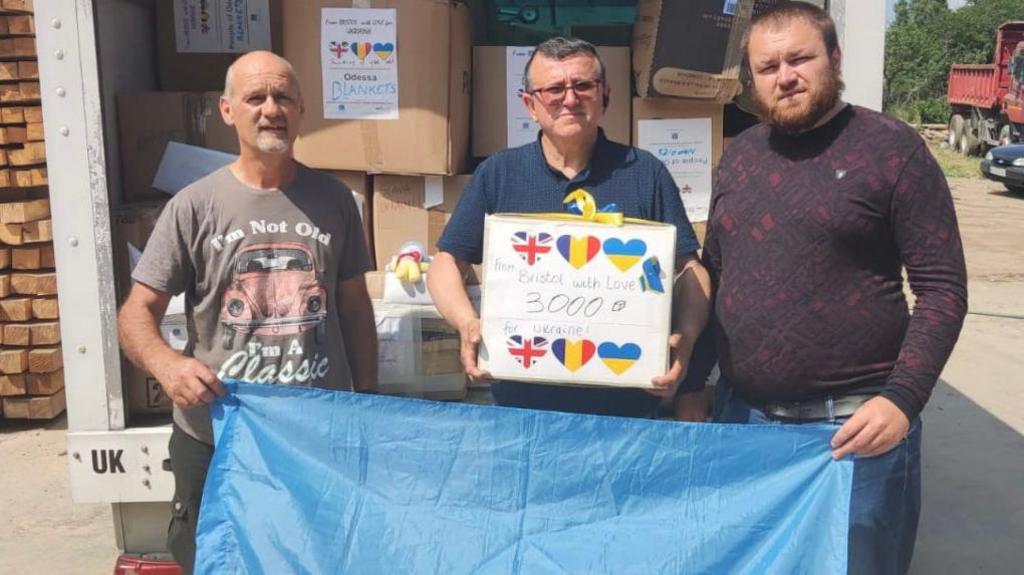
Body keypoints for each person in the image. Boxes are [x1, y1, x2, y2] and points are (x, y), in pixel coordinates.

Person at [683, 3, 968, 573]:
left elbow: (942, 288)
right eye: (767, 67)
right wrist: (692, 384)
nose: (785, 76)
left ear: (834, 59)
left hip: (856, 431)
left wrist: (903, 398)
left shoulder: (893, 149)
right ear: (752, 79)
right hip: (747, 425)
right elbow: (716, 270)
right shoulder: (739, 157)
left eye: (799, 58)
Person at [117, 51, 377, 573]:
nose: (270, 109)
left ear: (302, 109)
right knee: (213, 559)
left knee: (318, 556)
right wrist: (169, 368)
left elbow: (353, 308)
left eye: (283, 97)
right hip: (218, 432)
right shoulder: (193, 205)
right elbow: (136, 312)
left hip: (314, 431)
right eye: (255, 97)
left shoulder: (335, 200)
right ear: (228, 110)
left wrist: (368, 405)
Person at [428, 37, 711, 420]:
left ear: (605, 95)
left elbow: (689, 270)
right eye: (554, 89)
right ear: (530, 104)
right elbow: (447, 262)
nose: (570, 99)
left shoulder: (645, 172)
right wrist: (467, 323)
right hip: (520, 408)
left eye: (583, 86)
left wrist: (686, 340)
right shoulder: (498, 173)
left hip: (626, 410)